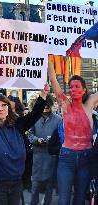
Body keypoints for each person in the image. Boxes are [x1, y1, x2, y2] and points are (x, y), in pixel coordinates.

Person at [48, 59, 98, 205]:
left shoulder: (89, 105)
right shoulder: (65, 105)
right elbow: (53, 79)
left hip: (86, 158)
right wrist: (48, 57)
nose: (73, 89)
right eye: (71, 87)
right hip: (67, 158)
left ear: (84, 90)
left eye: (77, 86)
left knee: (80, 198)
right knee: (63, 200)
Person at [28, 95, 62, 205]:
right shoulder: (34, 117)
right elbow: (29, 133)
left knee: (49, 189)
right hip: (37, 157)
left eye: (48, 105)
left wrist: (52, 140)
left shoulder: (58, 120)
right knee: (35, 188)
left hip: (51, 158)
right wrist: (36, 140)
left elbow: (62, 138)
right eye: (44, 105)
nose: (46, 107)